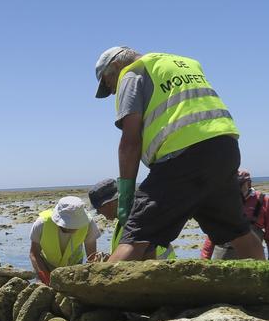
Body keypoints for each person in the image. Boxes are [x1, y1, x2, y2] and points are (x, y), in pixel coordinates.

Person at [93, 46, 264, 262]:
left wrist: (126, 195)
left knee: (136, 236)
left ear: (116, 65)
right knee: (238, 231)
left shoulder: (133, 72)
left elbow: (130, 142)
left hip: (182, 157)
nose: (113, 92)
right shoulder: (184, 64)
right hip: (224, 149)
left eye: (109, 84)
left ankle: (102, 294)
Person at [88, 178, 175, 260]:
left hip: (163, 271)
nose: (98, 213)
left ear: (108, 204)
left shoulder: (138, 221)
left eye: (98, 209)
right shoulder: (123, 222)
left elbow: (138, 255)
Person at [29, 195, 101, 284]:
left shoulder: (89, 224)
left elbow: (92, 257)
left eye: (75, 226)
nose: (72, 229)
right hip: (46, 265)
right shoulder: (42, 223)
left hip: (74, 266)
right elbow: (34, 254)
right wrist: (46, 278)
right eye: (68, 226)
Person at [201, 169, 269, 260]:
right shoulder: (223, 201)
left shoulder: (263, 201)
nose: (235, 189)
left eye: (239, 185)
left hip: (251, 258)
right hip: (222, 258)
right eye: (232, 185)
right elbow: (212, 234)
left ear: (248, 183)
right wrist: (205, 258)